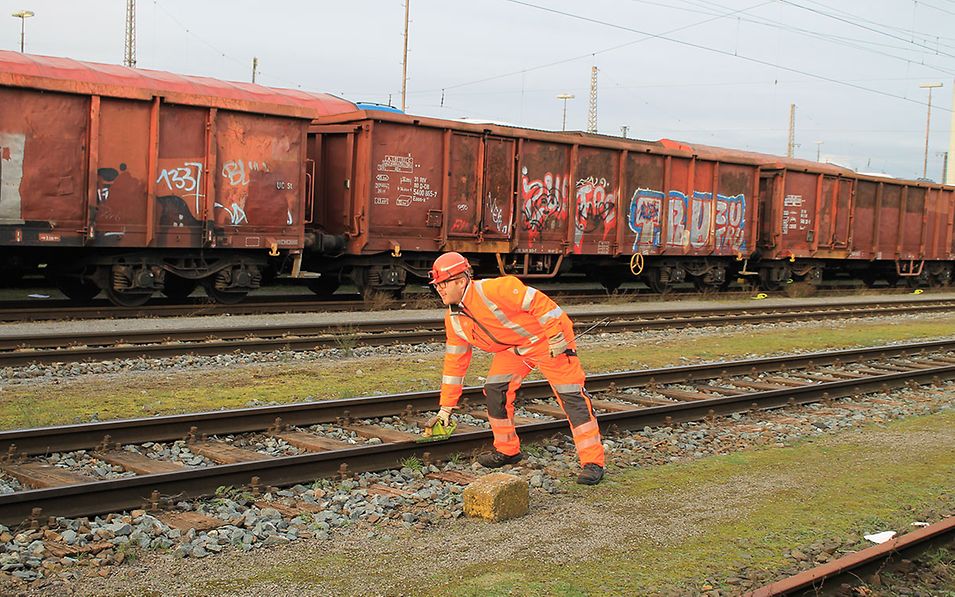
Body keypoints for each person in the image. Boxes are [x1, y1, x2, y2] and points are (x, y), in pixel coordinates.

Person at [426, 251, 605, 485]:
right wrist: (446, 408)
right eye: (437, 285)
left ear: (460, 281)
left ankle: (593, 462)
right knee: (495, 389)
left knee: (571, 396)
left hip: (548, 342)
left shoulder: (495, 289)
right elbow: (454, 365)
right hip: (514, 349)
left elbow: (542, 304)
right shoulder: (454, 319)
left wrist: (555, 336)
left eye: (443, 284)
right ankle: (507, 450)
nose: (439, 289)